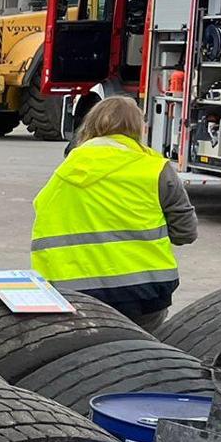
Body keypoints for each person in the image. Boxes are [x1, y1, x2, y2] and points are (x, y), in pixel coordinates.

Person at [31, 95, 195, 329]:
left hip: (72, 295)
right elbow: (185, 233)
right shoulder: (155, 169)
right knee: (146, 353)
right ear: (139, 128)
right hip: (145, 295)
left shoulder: (66, 171)